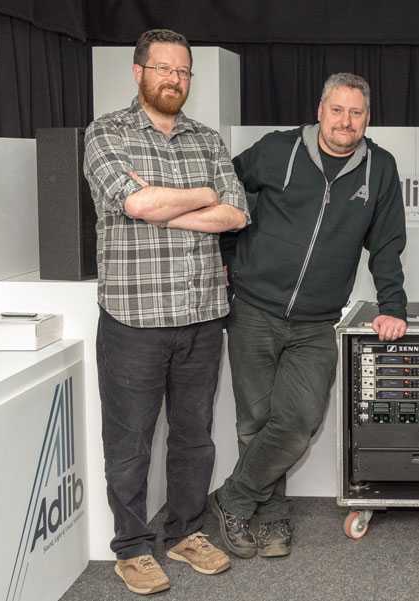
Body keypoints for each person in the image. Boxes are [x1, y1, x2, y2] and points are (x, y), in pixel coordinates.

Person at [210, 72, 408, 559]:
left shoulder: (379, 168)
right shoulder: (276, 149)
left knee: (298, 421)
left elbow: (385, 244)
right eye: (337, 110)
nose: (346, 121)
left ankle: (232, 499)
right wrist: (230, 261)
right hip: (254, 309)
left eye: (356, 113)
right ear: (320, 110)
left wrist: (393, 306)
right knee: (255, 421)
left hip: (317, 321)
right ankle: (271, 517)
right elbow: (227, 195)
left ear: (367, 118)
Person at [83, 29, 249, 595]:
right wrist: (201, 195)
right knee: (129, 444)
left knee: (194, 438)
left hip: (202, 317)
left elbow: (236, 215)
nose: (174, 80)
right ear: (138, 72)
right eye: (163, 69)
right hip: (134, 321)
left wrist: (166, 204)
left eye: (183, 72)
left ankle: (185, 532)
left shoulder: (206, 139)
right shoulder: (106, 133)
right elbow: (133, 202)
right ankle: (131, 546)